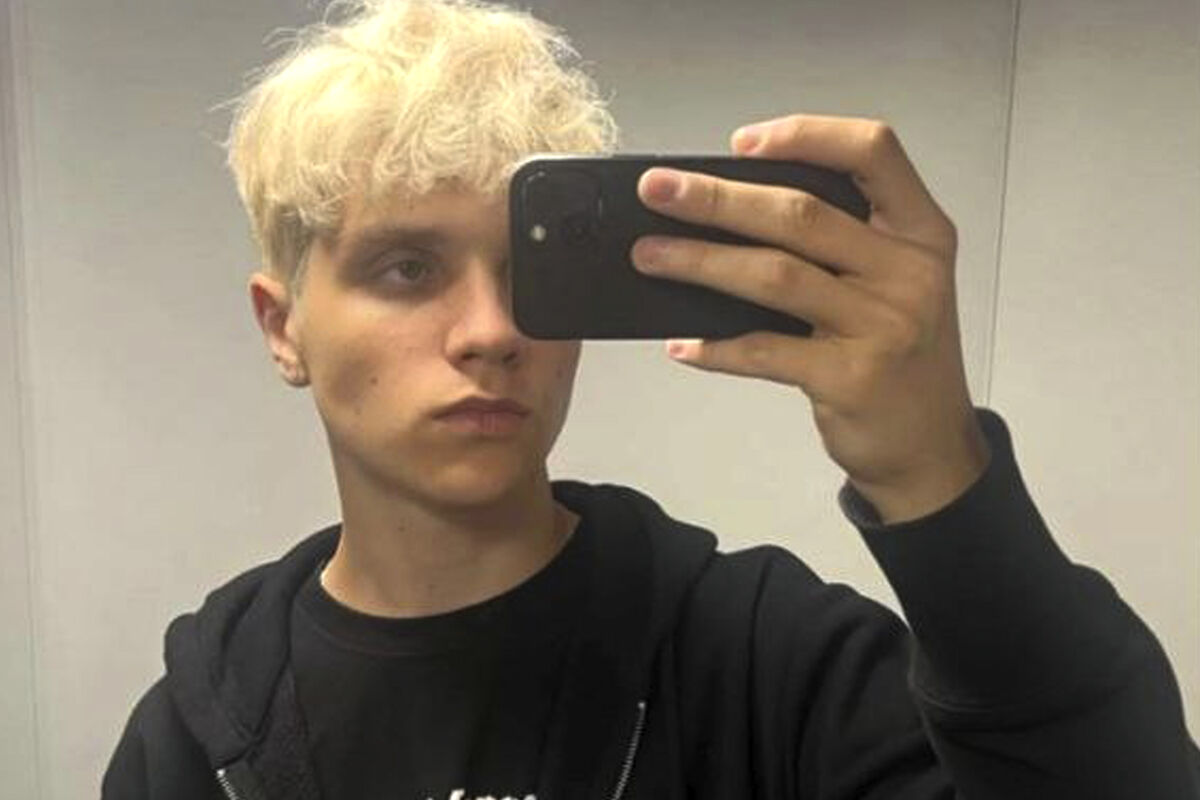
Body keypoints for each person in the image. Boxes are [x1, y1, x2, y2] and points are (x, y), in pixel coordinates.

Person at [102, 0, 1200, 797]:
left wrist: (937, 479)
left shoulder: (768, 663)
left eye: (531, 272)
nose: (491, 331)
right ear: (283, 327)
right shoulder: (193, 738)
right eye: (407, 268)